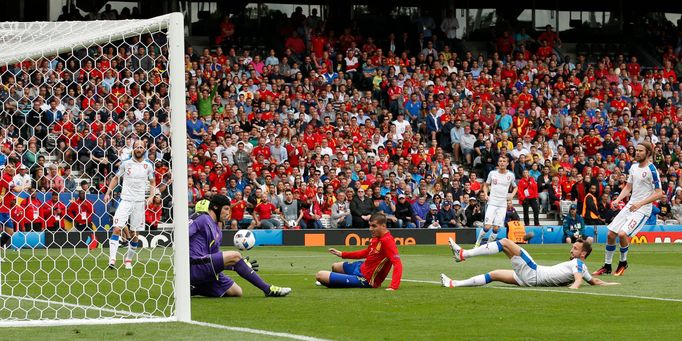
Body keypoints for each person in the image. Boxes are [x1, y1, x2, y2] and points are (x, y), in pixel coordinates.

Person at [190, 195, 291, 297]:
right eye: (226, 209)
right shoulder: (201, 218)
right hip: (193, 265)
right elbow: (181, 234)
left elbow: (214, 262)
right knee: (236, 255)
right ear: (216, 207)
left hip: (204, 267)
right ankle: (268, 289)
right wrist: (236, 261)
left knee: (236, 291)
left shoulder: (218, 231)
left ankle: (193, 289)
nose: (228, 213)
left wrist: (237, 265)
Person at [593, 142, 664, 276]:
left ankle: (622, 262)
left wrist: (640, 203)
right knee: (610, 234)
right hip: (630, 205)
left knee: (622, 234)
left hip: (643, 209)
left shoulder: (652, 170)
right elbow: (628, 187)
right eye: (636, 150)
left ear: (648, 153)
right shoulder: (633, 167)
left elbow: (659, 193)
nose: (637, 153)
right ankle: (607, 266)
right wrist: (618, 200)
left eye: (640, 151)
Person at [441, 238, 619, 289]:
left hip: (533, 273)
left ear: (583, 253)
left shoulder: (578, 264)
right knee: (494, 274)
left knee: (505, 242)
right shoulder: (582, 266)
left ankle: (463, 253)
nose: (571, 250)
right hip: (529, 279)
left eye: (575, 248)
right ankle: (454, 283)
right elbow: (593, 281)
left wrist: (575, 286)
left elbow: (579, 278)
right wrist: (612, 283)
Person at [104, 140, 156, 270]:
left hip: (139, 202)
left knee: (134, 234)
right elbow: (116, 178)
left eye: (141, 147)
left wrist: (151, 196)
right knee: (117, 228)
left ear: (144, 149)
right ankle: (112, 260)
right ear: (133, 149)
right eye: (136, 147)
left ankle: (128, 259)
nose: (139, 149)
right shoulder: (126, 163)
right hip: (125, 200)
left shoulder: (148, 165)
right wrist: (108, 192)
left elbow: (153, 182)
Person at [315, 213, 402, 290]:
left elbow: (397, 263)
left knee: (320, 275)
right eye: (370, 225)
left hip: (365, 279)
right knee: (335, 266)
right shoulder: (376, 238)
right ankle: (339, 280)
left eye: (374, 226)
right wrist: (342, 254)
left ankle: (341, 281)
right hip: (361, 267)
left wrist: (393, 287)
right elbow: (366, 252)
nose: (370, 229)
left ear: (383, 226)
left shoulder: (387, 241)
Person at [475, 156, 517, 247]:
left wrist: (512, 195)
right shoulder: (492, 173)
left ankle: (488, 246)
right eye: (500, 161)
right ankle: (477, 242)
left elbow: (515, 187)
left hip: (502, 204)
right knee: (487, 226)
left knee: (496, 228)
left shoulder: (510, 175)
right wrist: (486, 194)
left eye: (504, 161)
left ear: (507, 163)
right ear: (498, 163)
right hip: (492, 203)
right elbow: (486, 185)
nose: (502, 163)